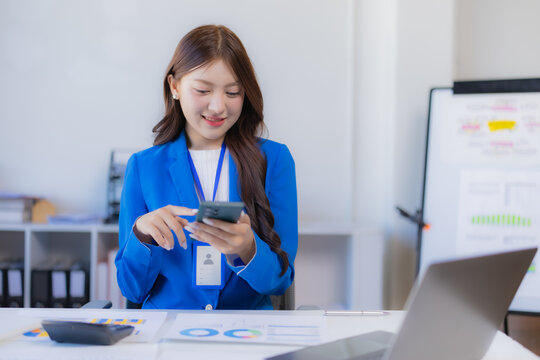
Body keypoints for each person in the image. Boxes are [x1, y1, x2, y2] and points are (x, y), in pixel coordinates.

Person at [115, 25, 298, 310]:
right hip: (169, 335)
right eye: (203, 90)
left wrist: (248, 249)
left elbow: (280, 281)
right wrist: (141, 235)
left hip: (246, 332)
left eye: (233, 92)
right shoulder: (143, 167)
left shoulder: (274, 160)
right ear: (174, 87)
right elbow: (131, 290)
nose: (218, 107)